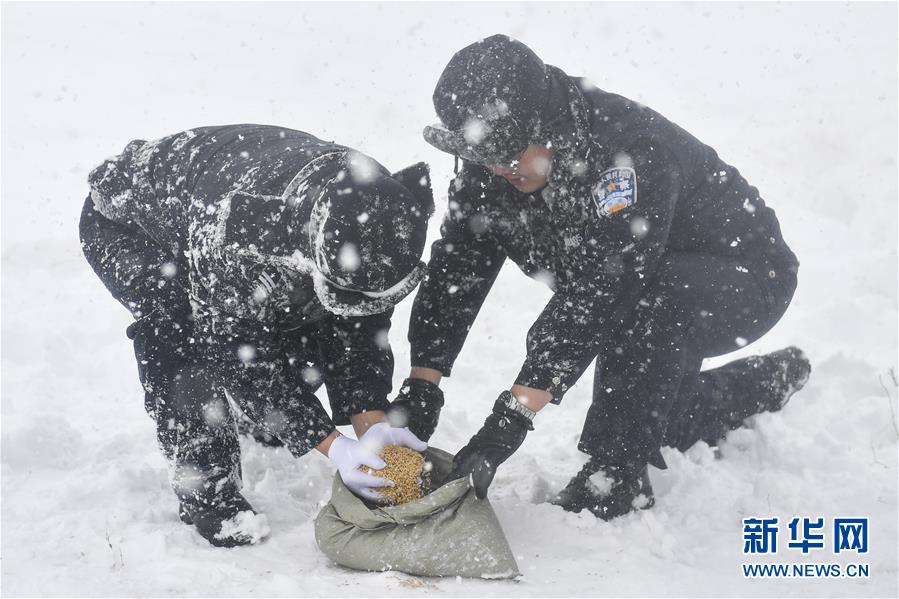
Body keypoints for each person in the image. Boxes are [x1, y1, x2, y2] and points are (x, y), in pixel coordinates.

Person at [394, 35, 811, 520]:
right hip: (635, 280)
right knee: (661, 419)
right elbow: (458, 268)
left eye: (508, 153)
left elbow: (605, 288)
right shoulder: (495, 159)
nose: (497, 167)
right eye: (485, 154)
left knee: (646, 303)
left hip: (744, 277)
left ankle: (615, 476)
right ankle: (758, 383)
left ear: (544, 125)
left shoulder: (628, 153)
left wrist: (512, 415)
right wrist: (424, 381)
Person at [80, 124, 433, 546]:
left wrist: (372, 424)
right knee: (183, 335)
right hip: (133, 228)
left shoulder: (379, 211)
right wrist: (334, 446)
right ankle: (206, 491)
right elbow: (232, 351)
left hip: (243, 215)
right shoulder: (236, 233)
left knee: (306, 322)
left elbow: (359, 328)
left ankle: (271, 420)